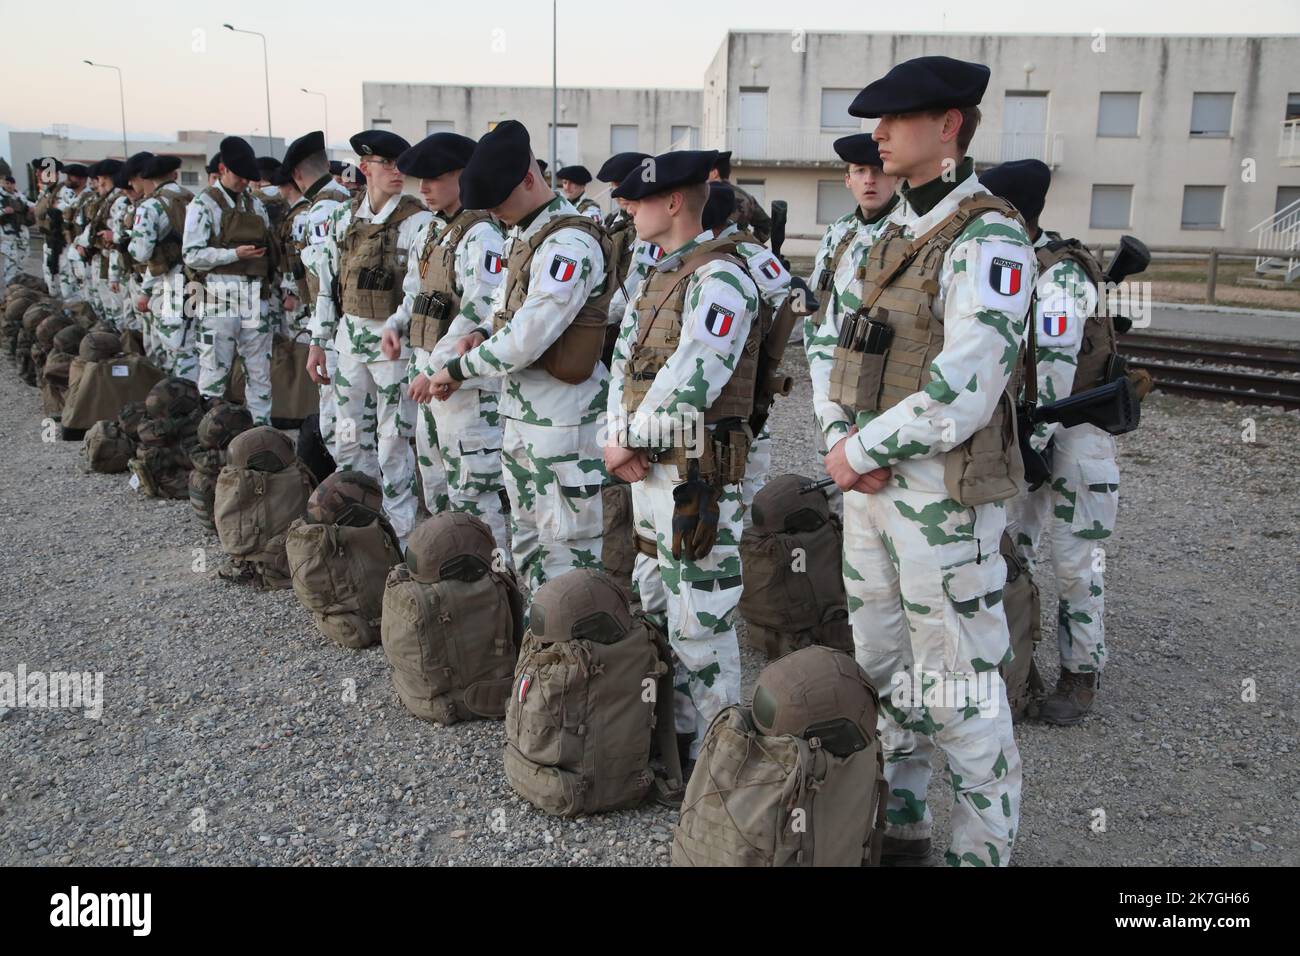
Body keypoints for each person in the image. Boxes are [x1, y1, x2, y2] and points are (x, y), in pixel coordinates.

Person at [820, 56, 1033, 867]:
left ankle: (977, 858)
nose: (877, 133)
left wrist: (857, 453)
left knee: (961, 695)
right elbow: (831, 350)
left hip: (943, 506)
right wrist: (838, 445)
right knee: (882, 676)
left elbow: (963, 392)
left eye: (896, 117)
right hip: (870, 497)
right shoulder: (887, 238)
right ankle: (902, 833)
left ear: (948, 126)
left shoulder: (988, 237)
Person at [605, 149, 762, 762]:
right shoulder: (660, 274)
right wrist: (618, 440)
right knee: (655, 604)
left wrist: (630, 439)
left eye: (638, 199)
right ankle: (673, 741)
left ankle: (717, 763)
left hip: (694, 478)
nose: (628, 208)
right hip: (649, 472)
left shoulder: (720, 277)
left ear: (672, 203)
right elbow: (625, 368)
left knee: (702, 623)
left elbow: (695, 374)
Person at [425, 120, 608, 594]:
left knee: (568, 549)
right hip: (523, 413)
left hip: (563, 425)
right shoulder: (524, 233)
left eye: (501, 204)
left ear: (530, 178)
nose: (497, 216)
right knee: (528, 540)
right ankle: (540, 645)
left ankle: (574, 652)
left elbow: (528, 337)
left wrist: (457, 369)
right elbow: (511, 311)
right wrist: (482, 332)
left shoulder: (570, 243)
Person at [982, 158, 1115, 725]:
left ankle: (1081, 676)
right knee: (1019, 548)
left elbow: (1056, 375)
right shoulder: (1020, 262)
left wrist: (1031, 445)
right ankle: (1021, 663)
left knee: (1076, 564)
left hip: (1075, 435)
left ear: (1014, 212)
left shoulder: (1059, 276)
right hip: (1034, 432)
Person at [380, 132, 510, 551]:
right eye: (420, 180)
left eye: (433, 178)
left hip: (465, 387)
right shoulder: (434, 232)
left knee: (476, 496)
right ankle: (453, 583)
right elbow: (416, 293)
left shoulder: (483, 235)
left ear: (461, 175)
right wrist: (395, 325)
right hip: (431, 379)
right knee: (436, 488)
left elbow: (479, 309)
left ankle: (496, 587)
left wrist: (433, 369)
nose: (424, 189)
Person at [306, 130, 433, 548]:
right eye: (387, 164)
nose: (398, 172)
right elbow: (328, 286)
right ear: (365, 168)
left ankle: (399, 539)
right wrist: (319, 341)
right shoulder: (344, 219)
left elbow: (417, 290)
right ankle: (359, 525)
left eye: (402, 164)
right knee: (344, 435)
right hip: (348, 345)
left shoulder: (417, 220)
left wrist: (396, 328)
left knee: (394, 444)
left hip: (391, 351)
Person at [183, 136, 275, 418]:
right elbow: (192, 254)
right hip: (219, 301)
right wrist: (234, 254)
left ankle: (262, 431)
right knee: (214, 372)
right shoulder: (203, 204)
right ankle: (211, 435)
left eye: (248, 178)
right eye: (239, 176)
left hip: (253, 298)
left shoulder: (254, 205)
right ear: (222, 169)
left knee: (260, 372)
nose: (244, 183)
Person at [284, 131, 352, 455]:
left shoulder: (322, 210)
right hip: (348, 322)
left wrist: (319, 338)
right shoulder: (349, 198)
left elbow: (325, 277)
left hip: (335, 326)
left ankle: (348, 491)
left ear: (297, 175)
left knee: (336, 417)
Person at [129, 152, 197, 378]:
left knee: (176, 347)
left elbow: (141, 253)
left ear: (148, 179)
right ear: (175, 175)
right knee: (196, 344)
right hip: (198, 280)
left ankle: (183, 399)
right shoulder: (194, 199)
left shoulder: (151, 207)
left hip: (168, 283)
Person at [79, 160, 126, 328]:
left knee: (119, 310)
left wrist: (114, 275)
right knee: (109, 308)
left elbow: (115, 237)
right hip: (104, 258)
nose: (98, 184)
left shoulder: (118, 200)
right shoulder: (107, 199)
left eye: (100, 179)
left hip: (114, 261)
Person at [707, 151, 770, 243]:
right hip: (738, 254)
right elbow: (766, 225)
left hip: (708, 253)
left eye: (707, 172)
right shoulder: (746, 197)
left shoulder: (704, 195)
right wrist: (750, 245)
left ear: (715, 173)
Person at [0, 174, 32, 287]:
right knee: (12, 258)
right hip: (8, 233)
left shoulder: (19, 195)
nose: (9, 186)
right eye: (6, 183)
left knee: (24, 256)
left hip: (22, 231)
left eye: (11, 183)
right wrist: (4, 211)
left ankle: (18, 282)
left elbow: (28, 205)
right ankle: (10, 284)